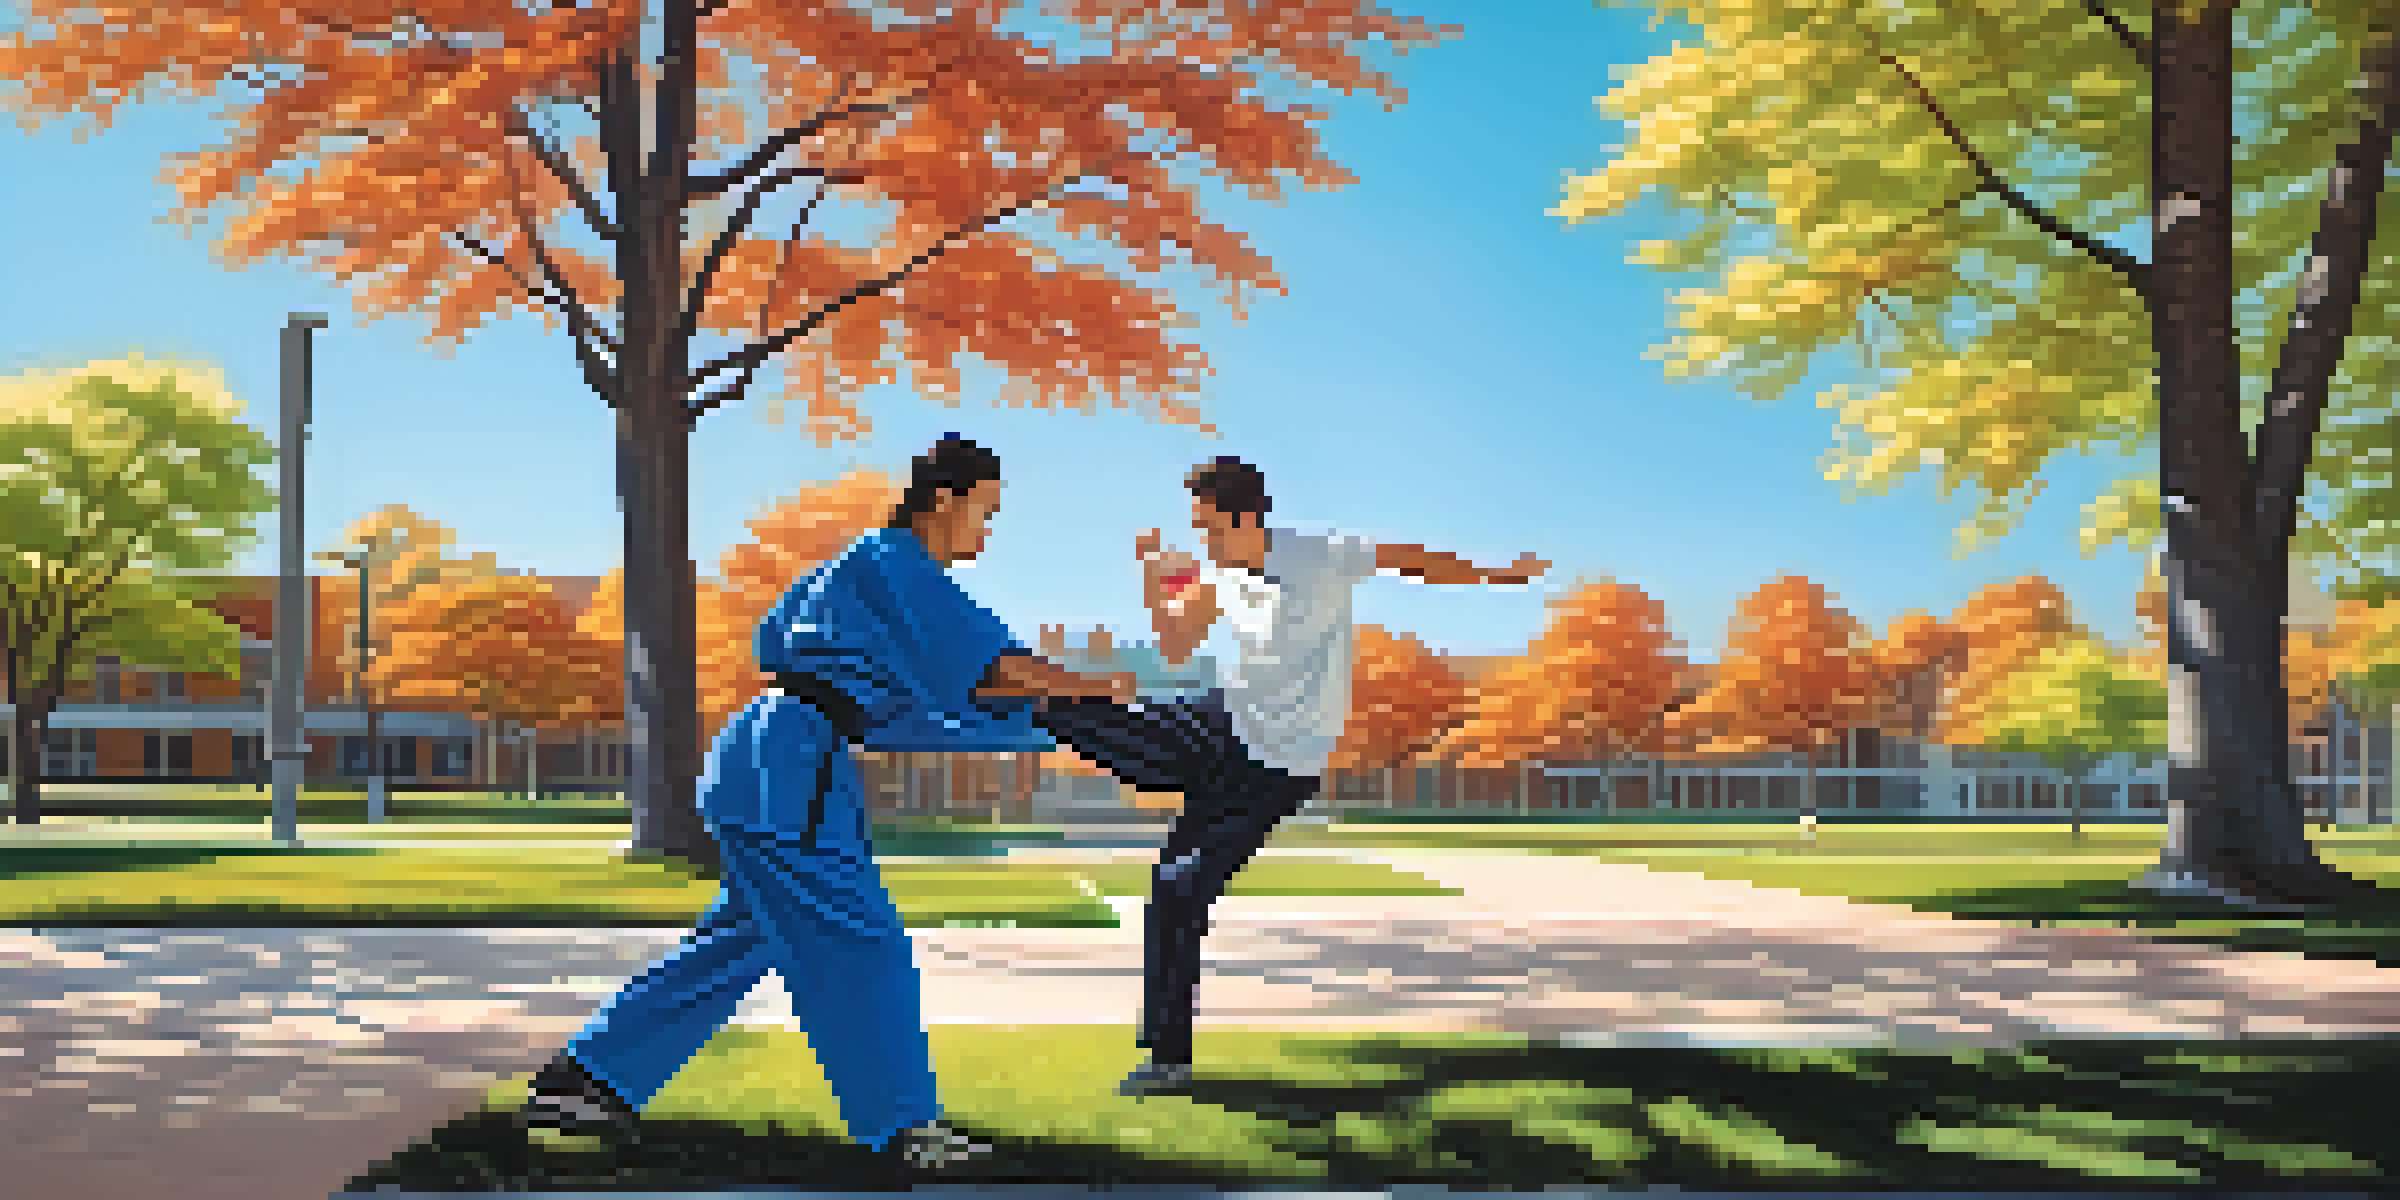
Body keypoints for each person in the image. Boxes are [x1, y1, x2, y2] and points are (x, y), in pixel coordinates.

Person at [518, 434, 1132, 1174]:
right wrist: (1097, 690)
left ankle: (585, 1079)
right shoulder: (901, 563)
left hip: (773, 757)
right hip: (793, 769)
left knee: (740, 939)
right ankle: (904, 1128)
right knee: (864, 943)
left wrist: (1060, 720)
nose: (986, 531)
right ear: (944, 498)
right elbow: (995, 668)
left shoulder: (861, 574)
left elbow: (955, 693)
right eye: (985, 512)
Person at [1005, 456, 1549, 1096]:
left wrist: (1496, 574)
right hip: (1225, 722)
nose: (1204, 543)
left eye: (1211, 529)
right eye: (1199, 530)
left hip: (1279, 765)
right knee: (1119, 720)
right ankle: (1017, 695)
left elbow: (1414, 559)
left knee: (1178, 888)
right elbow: (1177, 644)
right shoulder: (1219, 572)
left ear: (1246, 518)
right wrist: (1154, 582)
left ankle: (1166, 1059)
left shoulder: (1319, 554)